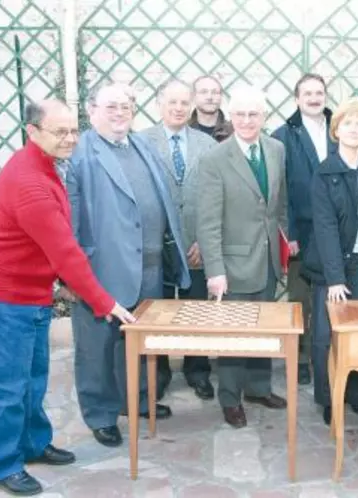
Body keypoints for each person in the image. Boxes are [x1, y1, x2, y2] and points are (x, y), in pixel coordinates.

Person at [0, 99, 134, 496]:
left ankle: (34, 443)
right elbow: (65, 251)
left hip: (32, 295)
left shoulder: (44, 165)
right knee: (6, 387)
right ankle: (4, 465)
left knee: (34, 378)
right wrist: (105, 302)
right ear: (33, 131)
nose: (70, 139)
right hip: (4, 299)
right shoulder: (30, 181)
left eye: (73, 130)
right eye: (59, 132)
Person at [67, 83, 191, 448]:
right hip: (102, 269)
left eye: (126, 106)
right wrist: (73, 276)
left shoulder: (139, 143)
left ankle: (133, 401)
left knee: (135, 342)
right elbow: (69, 221)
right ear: (91, 111)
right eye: (111, 107)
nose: (120, 113)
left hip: (149, 267)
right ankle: (101, 415)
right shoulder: (81, 153)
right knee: (97, 348)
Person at [195, 84, 289, 428]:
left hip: (267, 260)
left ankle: (258, 388)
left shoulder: (276, 149)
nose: (247, 120)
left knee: (262, 329)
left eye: (254, 114)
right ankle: (230, 398)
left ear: (264, 117)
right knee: (235, 335)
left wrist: (285, 239)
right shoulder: (215, 159)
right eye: (240, 114)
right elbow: (207, 223)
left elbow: (278, 203)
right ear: (230, 117)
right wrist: (215, 270)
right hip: (232, 266)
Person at [302, 98, 358, 425]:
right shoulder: (325, 171)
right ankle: (328, 398)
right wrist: (335, 278)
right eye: (347, 124)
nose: (353, 130)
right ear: (336, 129)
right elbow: (323, 226)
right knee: (326, 337)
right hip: (331, 269)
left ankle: (355, 395)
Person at [141, 78, 218, 401]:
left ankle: (197, 370)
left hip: (195, 244)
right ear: (159, 104)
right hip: (157, 245)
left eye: (184, 103)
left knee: (196, 310)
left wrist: (204, 240)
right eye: (172, 102)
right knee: (157, 311)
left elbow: (215, 196)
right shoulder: (140, 142)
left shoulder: (207, 144)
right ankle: (157, 374)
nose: (178, 108)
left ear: (192, 106)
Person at [271, 73, 336, 385]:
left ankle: (327, 356)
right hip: (301, 232)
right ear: (297, 99)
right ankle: (300, 360)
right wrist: (289, 233)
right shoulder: (283, 135)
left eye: (319, 92)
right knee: (299, 300)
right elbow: (279, 189)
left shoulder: (340, 129)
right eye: (307, 93)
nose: (314, 98)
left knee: (331, 299)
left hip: (335, 231)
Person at [188, 75, 233, 142]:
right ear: (193, 96)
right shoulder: (183, 130)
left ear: (221, 96)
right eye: (204, 92)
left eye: (215, 92)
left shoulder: (234, 132)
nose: (209, 97)